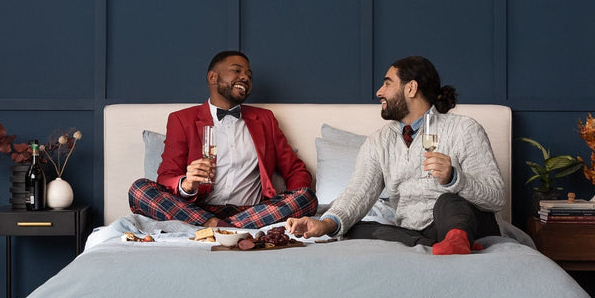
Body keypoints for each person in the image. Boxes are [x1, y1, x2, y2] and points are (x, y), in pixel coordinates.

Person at [286, 56, 505, 255]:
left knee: (448, 201)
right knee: (353, 230)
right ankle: (437, 245)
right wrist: (326, 224)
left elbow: (496, 196)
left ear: (411, 88)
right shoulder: (378, 142)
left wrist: (455, 178)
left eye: (387, 83)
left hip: (462, 220)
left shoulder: (464, 129)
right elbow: (357, 194)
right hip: (415, 231)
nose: (379, 92)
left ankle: (458, 238)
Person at [129, 50, 316, 229]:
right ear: (213, 77)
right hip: (196, 210)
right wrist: (187, 184)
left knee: (306, 197)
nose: (245, 78)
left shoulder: (264, 119)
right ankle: (218, 226)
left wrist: (294, 205)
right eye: (237, 70)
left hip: (253, 212)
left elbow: (295, 170)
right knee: (139, 189)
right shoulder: (182, 120)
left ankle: (219, 228)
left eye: (249, 76)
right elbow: (166, 177)